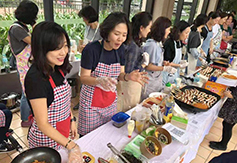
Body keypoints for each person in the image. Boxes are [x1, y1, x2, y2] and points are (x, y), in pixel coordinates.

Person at [78, 12, 148, 136]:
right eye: (116, 34)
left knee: (106, 135)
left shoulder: (121, 49)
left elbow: (120, 75)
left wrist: (128, 76)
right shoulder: (91, 50)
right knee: (89, 138)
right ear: (107, 32)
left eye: (124, 35)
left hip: (110, 102)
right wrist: (98, 81)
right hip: (91, 106)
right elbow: (83, 78)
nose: (120, 39)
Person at [24, 21, 83, 162]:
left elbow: (65, 99)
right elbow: (43, 124)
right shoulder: (35, 79)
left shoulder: (57, 67)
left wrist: (71, 119)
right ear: (42, 48)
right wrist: (70, 145)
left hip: (62, 133)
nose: (63, 52)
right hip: (45, 141)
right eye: (57, 48)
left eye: (65, 46)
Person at [8, 0, 38, 127]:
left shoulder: (21, 27)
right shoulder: (16, 29)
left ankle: (30, 116)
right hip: (24, 65)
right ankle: (25, 120)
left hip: (27, 64)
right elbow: (34, 41)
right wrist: (35, 27)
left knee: (30, 91)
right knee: (26, 93)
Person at [118, 11, 152, 112]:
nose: (150, 30)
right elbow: (129, 71)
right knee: (128, 111)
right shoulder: (133, 46)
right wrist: (143, 64)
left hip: (130, 83)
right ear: (141, 28)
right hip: (129, 85)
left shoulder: (135, 42)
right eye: (149, 27)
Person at [141, 16, 176, 100]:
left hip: (156, 80)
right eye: (168, 29)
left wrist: (163, 63)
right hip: (149, 81)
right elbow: (148, 66)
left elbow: (156, 62)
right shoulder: (152, 45)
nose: (169, 32)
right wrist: (164, 68)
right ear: (162, 29)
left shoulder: (158, 43)